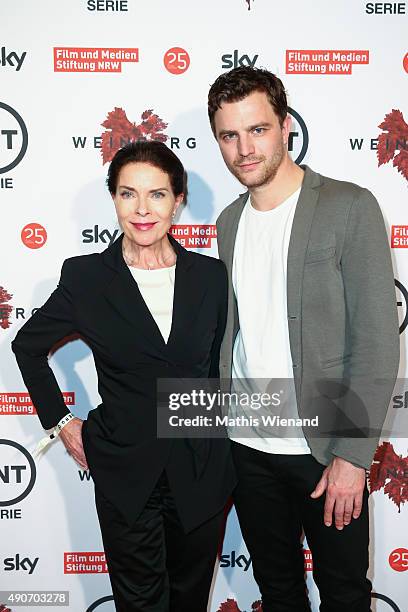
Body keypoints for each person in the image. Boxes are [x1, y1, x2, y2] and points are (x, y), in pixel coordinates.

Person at [12, 141, 236, 612]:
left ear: (178, 200)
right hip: (125, 470)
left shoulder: (210, 277)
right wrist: (61, 421)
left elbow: (219, 372)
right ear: (113, 198)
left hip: (201, 468)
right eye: (128, 194)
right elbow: (27, 347)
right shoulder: (87, 278)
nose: (142, 209)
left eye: (156, 195)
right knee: (139, 604)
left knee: (189, 601)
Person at [207, 66, 399, 611]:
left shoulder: (349, 206)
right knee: (279, 591)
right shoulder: (227, 222)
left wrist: (354, 456)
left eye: (258, 129)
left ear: (286, 126)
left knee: (343, 593)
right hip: (247, 449)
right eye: (229, 135)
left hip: (325, 452)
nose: (245, 148)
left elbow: (378, 341)